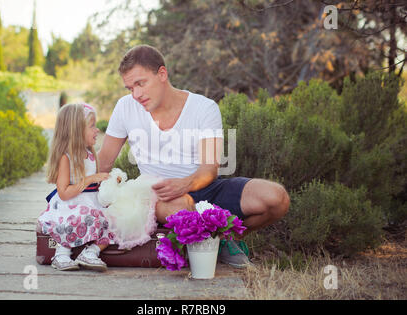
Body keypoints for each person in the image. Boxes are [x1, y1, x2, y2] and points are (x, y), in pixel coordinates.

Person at [98, 45, 290, 268]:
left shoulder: (204, 108)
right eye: (130, 87)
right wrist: (80, 196)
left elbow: (209, 169)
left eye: (140, 83)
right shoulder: (125, 107)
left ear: (162, 74)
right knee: (184, 206)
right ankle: (207, 239)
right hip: (156, 193)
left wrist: (185, 183)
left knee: (276, 198)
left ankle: (225, 240)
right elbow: (104, 162)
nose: (136, 94)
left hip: (205, 187)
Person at [37, 103, 111, 271]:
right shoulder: (66, 158)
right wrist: (91, 178)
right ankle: (61, 254)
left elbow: (95, 186)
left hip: (91, 203)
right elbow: (63, 193)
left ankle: (90, 252)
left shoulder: (91, 155)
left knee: (113, 221)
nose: (97, 130)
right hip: (70, 206)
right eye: (92, 126)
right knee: (81, 216)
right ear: (76, 130)